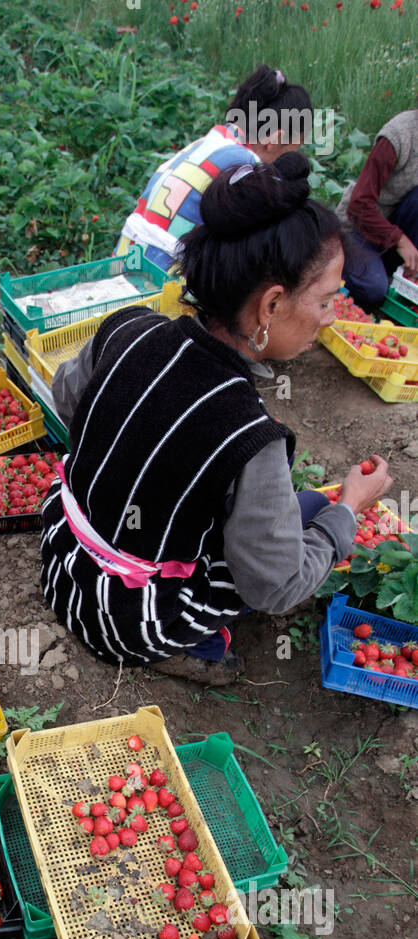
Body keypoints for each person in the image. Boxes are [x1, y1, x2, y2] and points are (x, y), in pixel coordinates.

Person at [41, 154, 393, 685]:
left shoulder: (129, 329)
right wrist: (349, 512)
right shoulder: (250, 438)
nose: (330, 317)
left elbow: (69, 402)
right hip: (126, 619)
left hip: (63, 560)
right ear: (271, 305)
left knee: (302, 508)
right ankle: (192, 644)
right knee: (310, 521)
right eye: (325, 301)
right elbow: (273, 588)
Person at [115, 65, 312, 275]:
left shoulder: (217, 140)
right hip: (156, 277)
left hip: (124, 261)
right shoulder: (245, 167)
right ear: (276, 139)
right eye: (294, 147)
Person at [337, 107, 418, 311]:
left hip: (398, 229)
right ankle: (335, 263)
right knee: (373, 289)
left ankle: (397, 276)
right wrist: (399, 239)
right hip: (359, 228)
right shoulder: (399, 135)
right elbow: (358, 206)